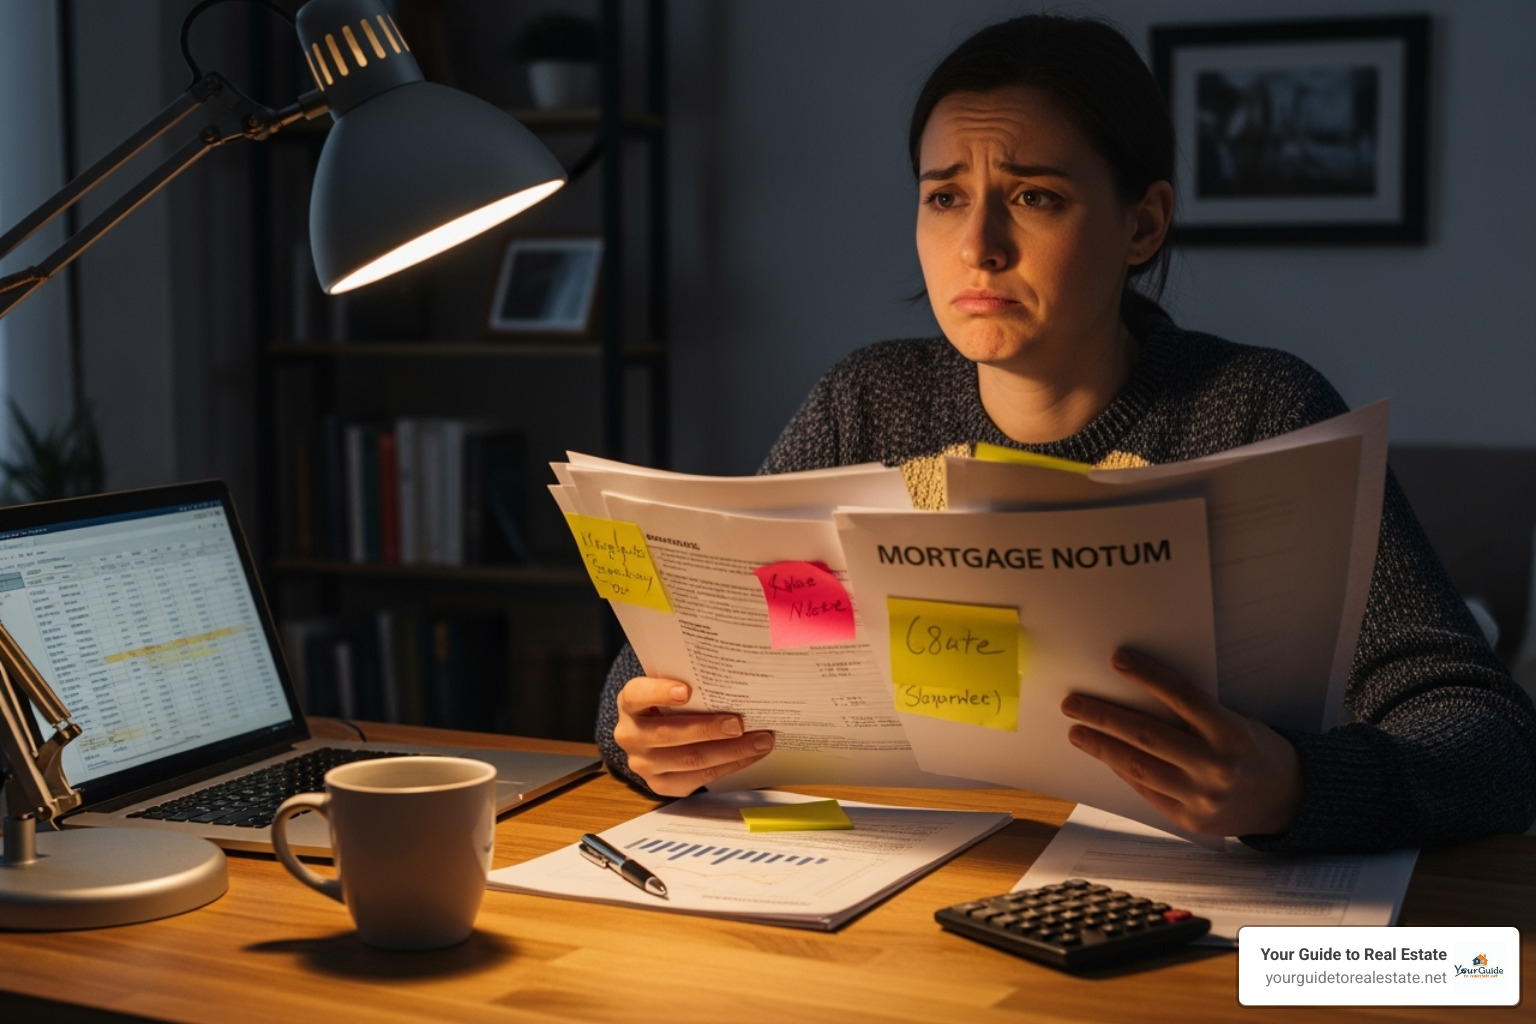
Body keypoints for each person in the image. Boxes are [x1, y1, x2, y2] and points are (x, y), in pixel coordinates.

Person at [594, 14, 1536, 852]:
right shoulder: (866, 404)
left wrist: (1293, 787)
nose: (979, 246)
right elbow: (667, 664)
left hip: (1175, 917)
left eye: (1035, 196)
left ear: (1143, 223)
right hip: (894, 891)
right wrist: (643, 736)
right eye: (945, 196)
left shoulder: (1263, 411)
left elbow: (1490, 739)